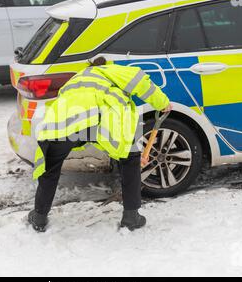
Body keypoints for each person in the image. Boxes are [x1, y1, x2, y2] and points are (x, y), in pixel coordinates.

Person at [28, 57, 172, 232]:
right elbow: (141, 82)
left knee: (50, 168)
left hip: (66, 124)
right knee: (130, 159)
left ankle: (39, 217)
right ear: (105, 65)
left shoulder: (76, 78)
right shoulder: (110, 70)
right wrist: (163, 103)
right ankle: (131, 216)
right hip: (103, 121)